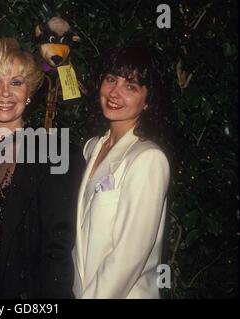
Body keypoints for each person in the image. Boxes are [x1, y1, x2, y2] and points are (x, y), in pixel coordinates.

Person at [0, 37, 84, 299]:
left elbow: (57, 250)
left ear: (29, 92)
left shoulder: (54, 154)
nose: (6, 93)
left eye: (16, 82)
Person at [72, 46, 171, 298]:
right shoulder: (92, 147)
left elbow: (128, 258)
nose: (115, 92)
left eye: (131, 86)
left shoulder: (149, 159)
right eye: (111, 79)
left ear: (148, 101)